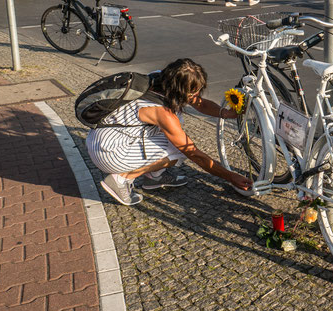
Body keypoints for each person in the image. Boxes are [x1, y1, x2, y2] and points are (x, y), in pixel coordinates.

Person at [86, 58, 253, 206]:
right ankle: (121, 179)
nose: (196, 96)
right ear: (180, 92)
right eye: (193, 92)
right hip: (110, 152)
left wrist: (225, 113)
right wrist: (231, 177)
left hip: (104, 136)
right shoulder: (161, 113)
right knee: (179, 150)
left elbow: (199, 103)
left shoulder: (159, 78)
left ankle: (154, 178)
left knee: (175, 140)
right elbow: (194, 154)